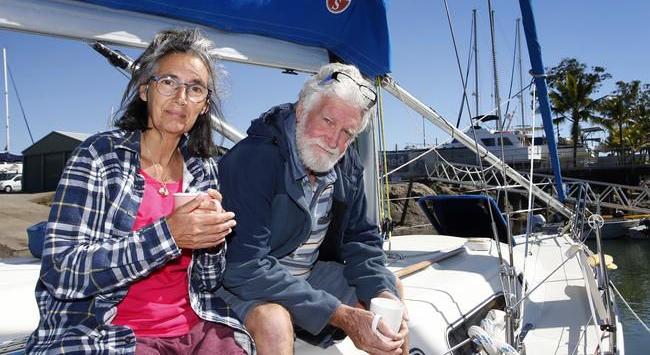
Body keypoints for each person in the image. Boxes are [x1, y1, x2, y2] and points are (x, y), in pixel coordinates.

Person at [27, 29, 251, 354]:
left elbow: (207, 282)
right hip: (109, 333)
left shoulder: (204, 170)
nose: (181, 97)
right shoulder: (99, 157)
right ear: (145, 90)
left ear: (204, 106)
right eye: (169, 82)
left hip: (194, 326)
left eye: (195, 88)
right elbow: (61, 270)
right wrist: (169, 236)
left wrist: (212, 242)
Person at [218, 63, 409, 355]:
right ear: (301, 111)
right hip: (245, 283)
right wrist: (339, 314)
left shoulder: (347, 165)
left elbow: (361, 239)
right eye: (328, 121)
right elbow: (245, 268)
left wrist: (381, 291)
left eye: (348, 132)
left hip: (306, 275)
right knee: (274, 322)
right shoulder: (252, 160)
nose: (335, 141)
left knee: (390, 291)